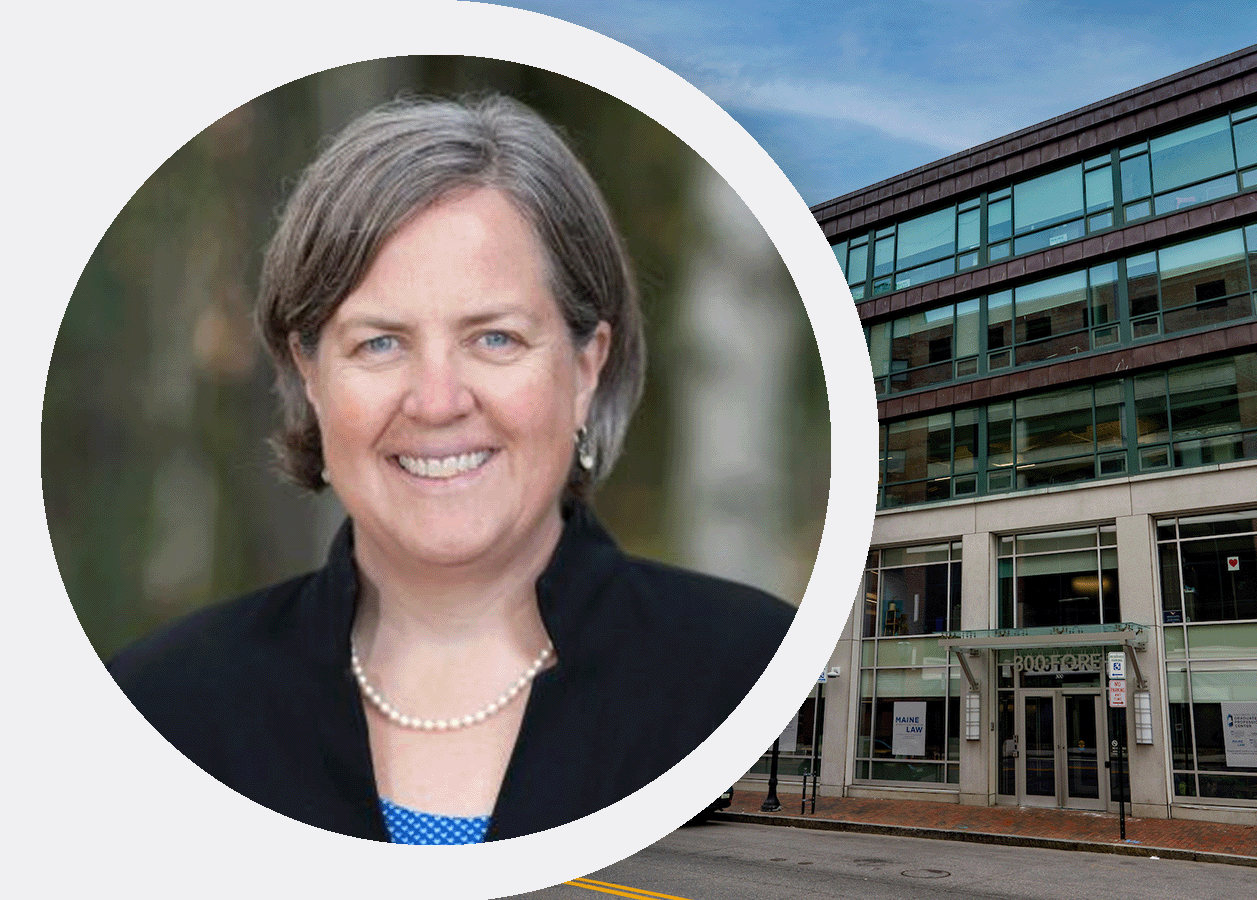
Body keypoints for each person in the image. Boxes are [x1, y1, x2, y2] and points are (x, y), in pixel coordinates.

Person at [108, 95, 797, 844]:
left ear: (585, 368)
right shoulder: (158, 711)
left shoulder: (758, 678)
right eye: (379, 343)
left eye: (495, 338)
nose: (437, 402)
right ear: (310, 374)